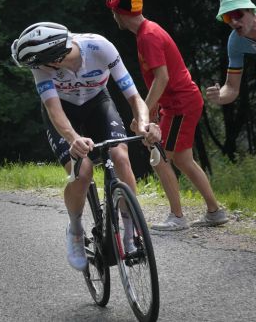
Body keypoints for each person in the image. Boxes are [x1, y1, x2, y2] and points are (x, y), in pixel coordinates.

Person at [11, 22, 161, 271]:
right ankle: (76, 229)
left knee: (120, 156)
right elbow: (53, 109)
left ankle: (130, 231)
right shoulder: (41, 66)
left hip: (97, 102)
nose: (35, 68)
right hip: (64, 112)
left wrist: (145, 124)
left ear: (54, 60)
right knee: (82, 172)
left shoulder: (100, 47)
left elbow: (134, 96)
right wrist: (73, 138)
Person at [107, 0, 228, 229]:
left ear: (120, 13)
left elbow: (162, 78)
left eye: (113, 10)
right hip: (177, 103)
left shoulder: (148, 36)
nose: (112, 15)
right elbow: (157, 81)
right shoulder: (145, 32)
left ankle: (177, 217)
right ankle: (215, 212)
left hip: (180, 104)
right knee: (183, 159)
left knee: (160, 157)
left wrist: (142, 115)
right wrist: (149, 113)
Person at [206, 0, 256, 171]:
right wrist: (219, 96)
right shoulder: (236, 42)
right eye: (227, 17)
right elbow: (231, 87)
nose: (233, 21)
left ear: (250, 10)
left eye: (237, 14)